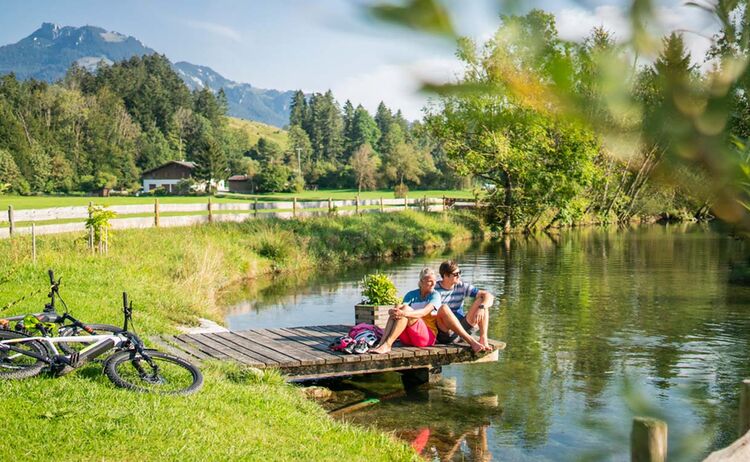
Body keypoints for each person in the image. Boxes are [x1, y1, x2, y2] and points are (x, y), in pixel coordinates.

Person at [371, 267, 486, 354]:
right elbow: (400, 310)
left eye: (434, 281)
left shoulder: (435, 295)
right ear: (421, 282)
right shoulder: (411, 294)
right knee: (398, 312)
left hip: (426, 337)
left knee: (404, 310)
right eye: (429, 281)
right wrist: (394, 310)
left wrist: (404, 312)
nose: (433, 284)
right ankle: (383, 344)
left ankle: (387, 344)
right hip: (407, 338)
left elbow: (424, 312)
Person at [434, 260, 494, 350]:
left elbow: (489, 296)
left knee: (482, 299)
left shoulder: (462, 286)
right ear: (445, 276)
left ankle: (483, 338)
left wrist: (482, 307)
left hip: (462, 329)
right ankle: (472, 342)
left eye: (459, 272)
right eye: (456, 274)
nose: (459, 276)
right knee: (444, 308)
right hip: (446, 333)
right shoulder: (435, 289)